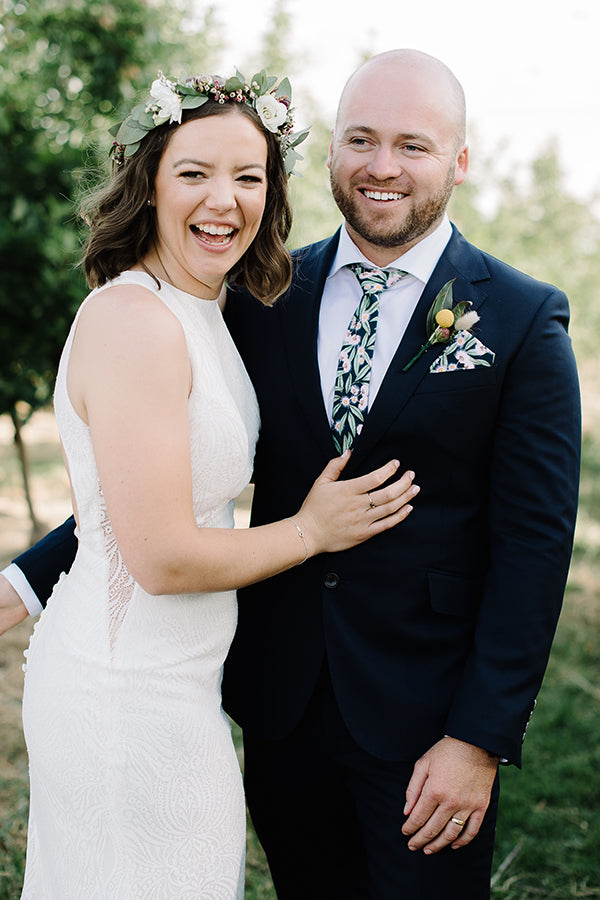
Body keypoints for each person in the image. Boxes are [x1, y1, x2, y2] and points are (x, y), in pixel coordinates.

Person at [0, 49, 581, 899]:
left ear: (459, 160)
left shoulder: (522, 318)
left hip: (427, 725)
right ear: (330, 151)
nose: (383, 166)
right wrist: (27, 582)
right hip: (280, 711)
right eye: (362, 139)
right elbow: (153, 479)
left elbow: (535, 547)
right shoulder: (264, 294)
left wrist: (479, 738)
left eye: (413, 146)